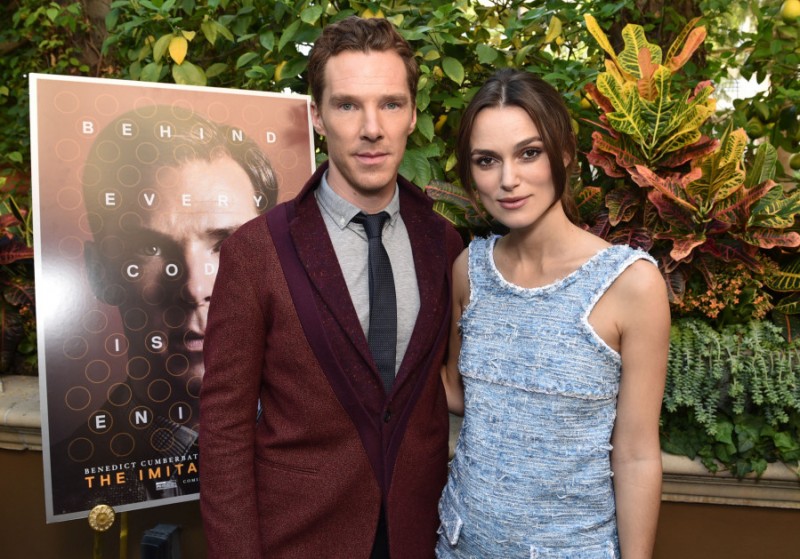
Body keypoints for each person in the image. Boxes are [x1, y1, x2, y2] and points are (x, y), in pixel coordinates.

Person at [199, 15, 463, 559]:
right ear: (317, 116)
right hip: (299, 538)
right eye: (348, 105)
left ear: (413, 114)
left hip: (425, 537)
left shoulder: (444, 243)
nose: (372, 127)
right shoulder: (257, 251)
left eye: (390, 103)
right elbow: (223, 429)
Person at [437, 69, 670, 558]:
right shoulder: (469, 270)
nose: (508, 179)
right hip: (461, 545)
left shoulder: (630, 283)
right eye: (486, 160)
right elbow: (459, 392)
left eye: (529, 152)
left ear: (564, 153)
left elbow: (636, 454)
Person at [50, 106, 277, 515]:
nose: (193, 286)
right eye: (152, 248)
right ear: (101, 272)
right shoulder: (69, 482)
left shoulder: (333, 437)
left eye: (228, 245)